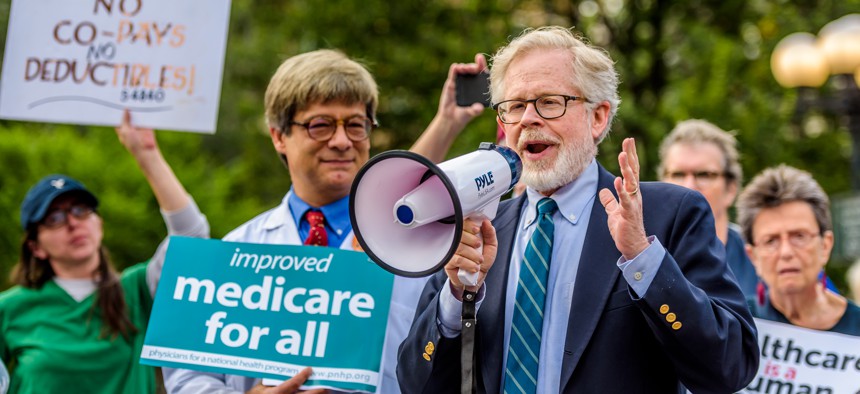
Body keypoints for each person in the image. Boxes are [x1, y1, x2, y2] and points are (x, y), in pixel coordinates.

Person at [397, 26, 759, 393]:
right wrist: (456, 298)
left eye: (549, 102)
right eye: (515, 107)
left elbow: (729, 367)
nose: (527, 120)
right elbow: (415, 384)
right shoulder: (479, 231)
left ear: (598, 117)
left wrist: (643, 259)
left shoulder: (668, 213)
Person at [164, 49, 486, 394]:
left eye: (356, 125)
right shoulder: (231, 253)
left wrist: (448, 122)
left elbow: (453, 347)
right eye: (320, 125)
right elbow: (187, 377)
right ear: (278, 136)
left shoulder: (427, 249)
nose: (342, 141)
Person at [0, 110, 210, 394]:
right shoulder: (10, 308)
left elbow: (192, 239)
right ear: (36, 247)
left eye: (80, 210)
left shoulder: (137, 290)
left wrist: (146, 155)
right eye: (55, 218)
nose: (73, 223)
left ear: (99, 223)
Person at [737, 165, 860, 335]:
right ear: (753, 256)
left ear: (825, 245)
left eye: (799, 236)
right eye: (771, 241)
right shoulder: (737, 326)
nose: (786, 252)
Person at [657, 119, 756, 294]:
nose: (689, 186)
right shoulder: (641, 256)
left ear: (731, 189)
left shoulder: (761, 257)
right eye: (678, 174)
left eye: (704, 175)